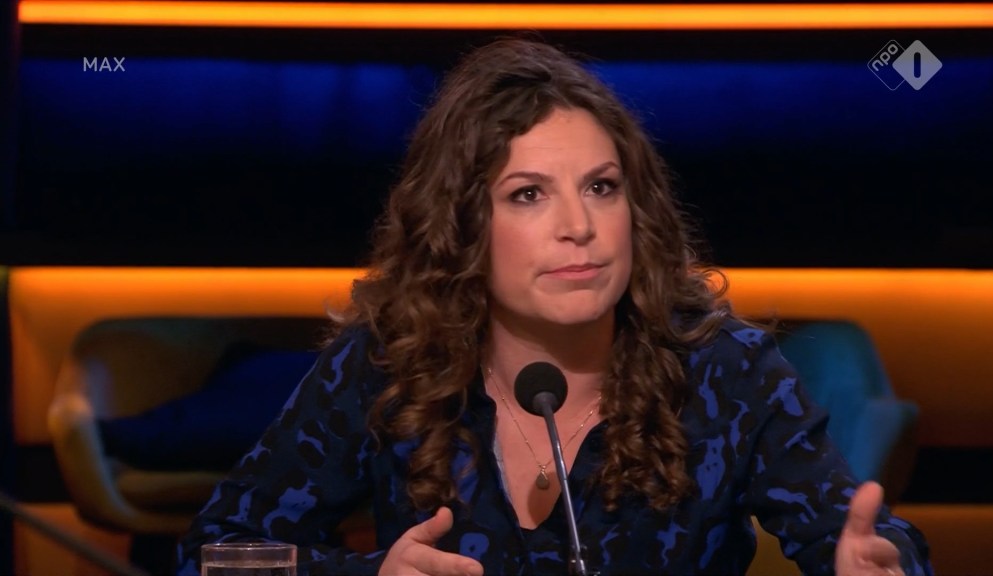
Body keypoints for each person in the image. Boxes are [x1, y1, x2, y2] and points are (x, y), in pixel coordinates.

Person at [177, 36, 932, 575]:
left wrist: (882, 563)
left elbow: (863, 540)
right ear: (462, 225)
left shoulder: (725, 371)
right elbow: (214, 554)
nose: (580, 225)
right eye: (528, 194)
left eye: (602, 187)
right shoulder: (386, 365)